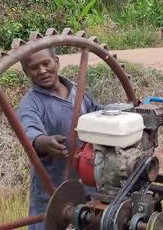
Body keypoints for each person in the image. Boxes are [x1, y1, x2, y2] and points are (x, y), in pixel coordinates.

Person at [17, 47, 102, 229]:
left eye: (46, 63)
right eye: (34, 68)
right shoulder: (31, 103)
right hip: (52, 187)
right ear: (26, 72)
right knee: (46, 222)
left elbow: (95, 111)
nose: (42, 71)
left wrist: (117, 112)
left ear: (56, 61)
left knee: (90, 220)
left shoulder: (76, 91)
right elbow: (29, 131)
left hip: (85, 180)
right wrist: (43, 142)